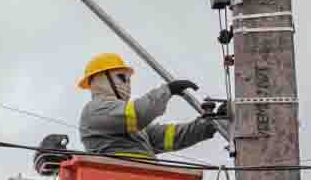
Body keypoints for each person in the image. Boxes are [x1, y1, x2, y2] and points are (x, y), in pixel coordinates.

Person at [77, 53, 218, 158]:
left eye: (129, 80)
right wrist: (167, 90)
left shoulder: (136, 130)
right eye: (122, 78)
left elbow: (172, 136)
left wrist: (209, 123)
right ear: (102, 79)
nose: (128, 84)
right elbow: (138, 113)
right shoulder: (95, 111)